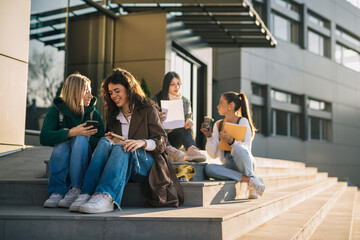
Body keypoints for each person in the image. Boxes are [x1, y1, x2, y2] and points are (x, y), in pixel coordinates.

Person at [69, 68, 183, 213]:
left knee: (123, 147)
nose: (114, 96)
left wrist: (141, 142)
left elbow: (161, 141)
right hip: (122, 163)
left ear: (129, 90)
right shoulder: (114, 115)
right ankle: (86, 193)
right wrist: (111, 140)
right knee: (105, 142)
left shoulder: (148, 109)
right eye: (111, 93)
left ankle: (107, 196)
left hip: (148, 163)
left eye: (117, 91)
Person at [40, 73, 105, 208]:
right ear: (75, 92)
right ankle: (57, 192)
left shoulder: (94, 114)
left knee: (80, 138)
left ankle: (76, 188)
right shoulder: (56, 111)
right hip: (62, 160)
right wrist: (70, 132)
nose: (91, 96)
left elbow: (102, 143)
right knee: (62, 142)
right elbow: (44, 137)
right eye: (86, 91)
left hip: (83, 164)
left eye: (90, 92)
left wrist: (87, 137)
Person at [200, 91, 265, 199]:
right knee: (209, 169)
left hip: (245, 163)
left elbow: (246, 149)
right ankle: (251, 180)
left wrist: (231, 141)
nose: (218, 106)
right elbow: (213, 155)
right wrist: (209, 136)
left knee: (240, 149)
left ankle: (250, 178)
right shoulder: (218, 124)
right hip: (229, 165)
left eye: (221, 103)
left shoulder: (242, 121)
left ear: (231, 106)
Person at [152, 71, 206, 162]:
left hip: (176, 137)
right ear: (166, 85)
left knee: (185, 127)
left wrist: (189, 121)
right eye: (172, 84)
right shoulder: (156, 99)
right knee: (157, 129)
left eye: (178, 84)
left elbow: (189, 117)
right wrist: (157, 117)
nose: (176, 87)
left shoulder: (185, 101)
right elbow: (149, 121)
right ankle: (171, 152)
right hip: (161, 138)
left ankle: (192, 150)